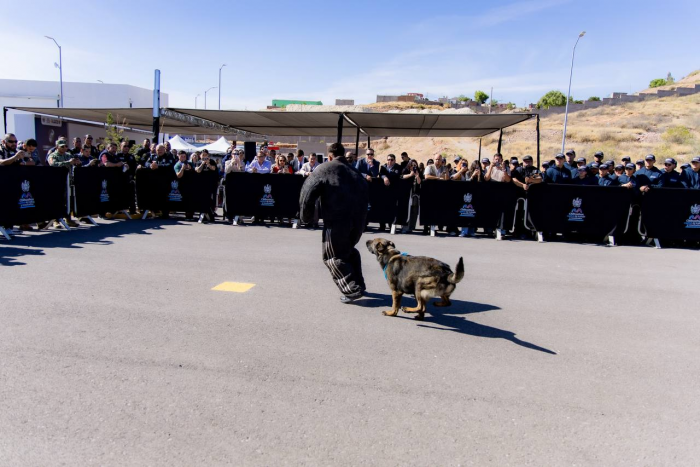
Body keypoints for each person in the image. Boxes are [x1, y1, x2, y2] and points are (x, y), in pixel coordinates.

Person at [299, 142, 368, 303]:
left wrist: (305, 217)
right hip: (357, 222)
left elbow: (307, 193)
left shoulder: (324, 168)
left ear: (329, 156)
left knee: (332, 256)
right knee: (348, 251)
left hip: (337, 220)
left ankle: (351, 289)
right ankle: (359, 284)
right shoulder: (355, 172)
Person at [401, 159, 423, 232]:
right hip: (407, 194)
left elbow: (419, 182)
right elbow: (402, 177)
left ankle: (412, 227)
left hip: (415, 194)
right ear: (409, 165)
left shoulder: (418, 172)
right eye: (412, 165)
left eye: (415, 165)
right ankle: (405, 226)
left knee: (414, 211)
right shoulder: (406, 170)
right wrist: (410, 175)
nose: (413, 167)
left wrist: (417, 176)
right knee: (407, 211)